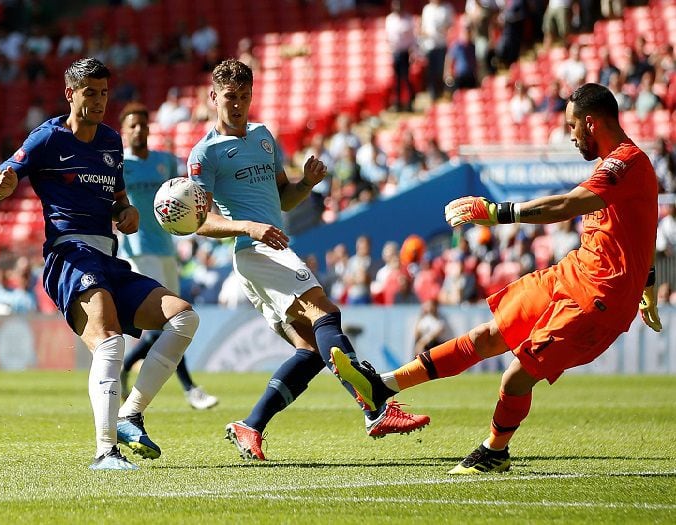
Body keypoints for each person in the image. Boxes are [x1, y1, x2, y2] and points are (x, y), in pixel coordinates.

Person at [331, 83, 662, 474]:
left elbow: (568, 205)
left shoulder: (625, 164)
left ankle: (494, 451)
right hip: (570, 275)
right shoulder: (613, 166)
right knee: (485, 338)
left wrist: (499, 211)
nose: (571, 136)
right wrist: (650, 289)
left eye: (572, 127)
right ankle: (381, 386)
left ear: (590, 123)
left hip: (598, 299)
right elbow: (637, 235)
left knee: (517, 376)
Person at [186, 58, 429, 461]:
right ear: (213, 97)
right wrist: (248, 227)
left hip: (270, 247)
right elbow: (199, 221)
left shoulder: (264, 137)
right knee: (326, 313)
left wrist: (307, 184)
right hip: (256, 250)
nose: (238, 105)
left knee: (313, 350)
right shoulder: (205, 153)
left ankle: (251, 425)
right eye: (230, 97)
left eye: (245, 96)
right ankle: (375, 408)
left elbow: (283, 197)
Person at [0, 58, 200, 471]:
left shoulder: (111, 141)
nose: (100, 101)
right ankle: (105, 452)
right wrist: (1, 185)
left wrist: (127, 213)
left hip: (108, 257)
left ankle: (129, 415)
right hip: (68, 254)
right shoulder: (48, 137)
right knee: (110, 338)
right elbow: (1, 177)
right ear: (71, 93)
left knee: (184, 318)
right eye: (91, 93)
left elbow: (119, 200)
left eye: (104, 93)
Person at [117, 101, 219, 411]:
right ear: (124, 131)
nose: (138, 130)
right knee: (171, 321)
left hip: (166, 249)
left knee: (167, 325)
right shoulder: (120, 165)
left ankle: (125, 367)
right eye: (132, 125)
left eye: (143, 124)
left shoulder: (164, 162)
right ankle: (191, 389)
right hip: (138, 251)